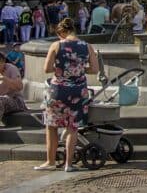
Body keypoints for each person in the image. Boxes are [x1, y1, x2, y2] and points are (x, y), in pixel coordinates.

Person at [36, 17, 98, 172]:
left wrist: (63, 69)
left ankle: (50, 162)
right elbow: (95, 69)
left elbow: (47, 68)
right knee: (73, 127)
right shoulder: (87, 46)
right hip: (78, 91)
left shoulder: (56, 45)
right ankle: (68, 165)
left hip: (58, 90)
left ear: (62, 31)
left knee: (51, 126)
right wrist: (78, 70)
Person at [1, 51, 26, 118]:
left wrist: (5, 79)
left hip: (16, 100)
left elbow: (20, 87)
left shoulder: (11, 68)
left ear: (3, 62)